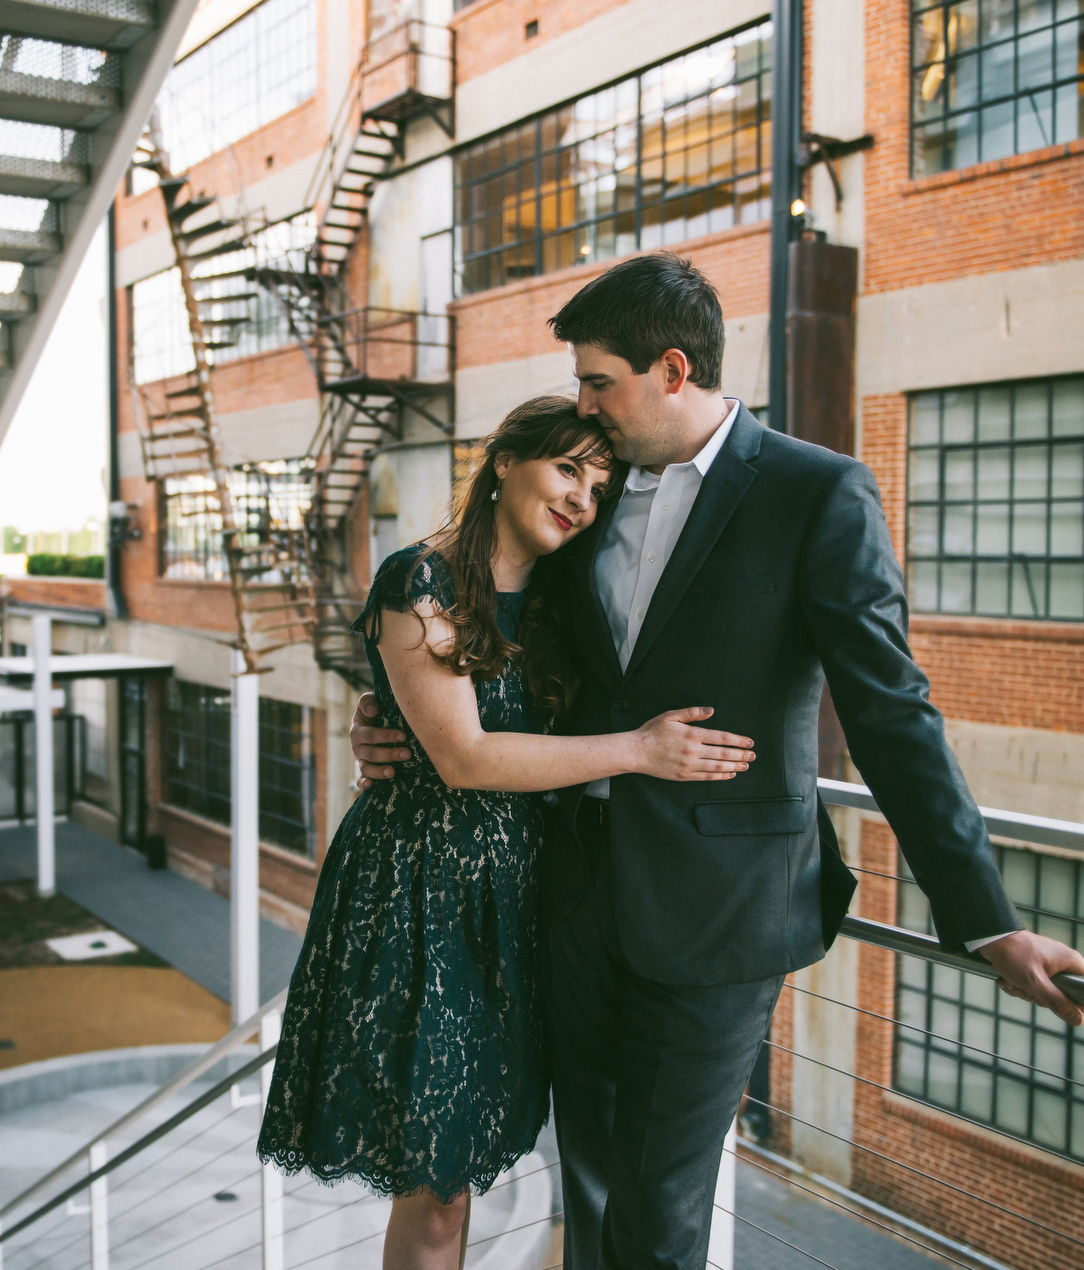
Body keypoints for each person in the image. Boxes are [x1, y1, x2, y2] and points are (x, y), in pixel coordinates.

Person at [348, 253, 1084, 1269]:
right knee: (589, 1189)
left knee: (659, 1217)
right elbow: (509, 645)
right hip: (566, 896)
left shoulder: (816, 492)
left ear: (669, 369)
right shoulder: (589, 489)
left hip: (722, 913)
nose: (582, 408)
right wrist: (391, 718)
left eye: (597, 382)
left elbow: (892, 715)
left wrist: (987, 921)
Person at [259, 394, 762, 1270]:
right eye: (568, 468)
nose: (582, 499)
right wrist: (643, 751)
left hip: (528, 900)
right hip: (425, 897)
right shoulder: (421, 580)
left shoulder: (572, 597)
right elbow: (465, 757)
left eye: (601, 486)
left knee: (485, 1166)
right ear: (503, 461)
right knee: (440, 1187)